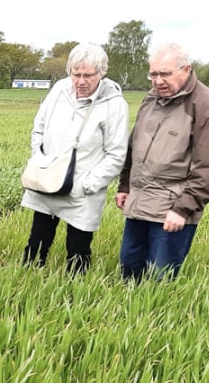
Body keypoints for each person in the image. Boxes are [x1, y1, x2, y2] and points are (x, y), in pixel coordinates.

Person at [115, 42, 209, 282]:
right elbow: (134, 146)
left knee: (159, 277)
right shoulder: (151, 99)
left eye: (165, 73)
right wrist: (125, 186)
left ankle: (152, 319)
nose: (158, 80)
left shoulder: (203, 104)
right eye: (153, 74)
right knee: (129, 268)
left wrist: (182, 209)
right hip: (140, 201)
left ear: (186, 70)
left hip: (173, 209)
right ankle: (129, 318)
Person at [21, 43, 129, 274]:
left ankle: (75, 294)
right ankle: (26, 278)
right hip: (48, 179)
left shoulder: (114, 104)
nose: (81, 81)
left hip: (82, 191)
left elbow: (117, 153)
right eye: (75, 74)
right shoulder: (59, 89)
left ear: (101, 73)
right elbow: (38, 128)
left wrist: (87, 185)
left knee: (78, 249)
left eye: (88, 75)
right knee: (37, 241)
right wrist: (39, 161)